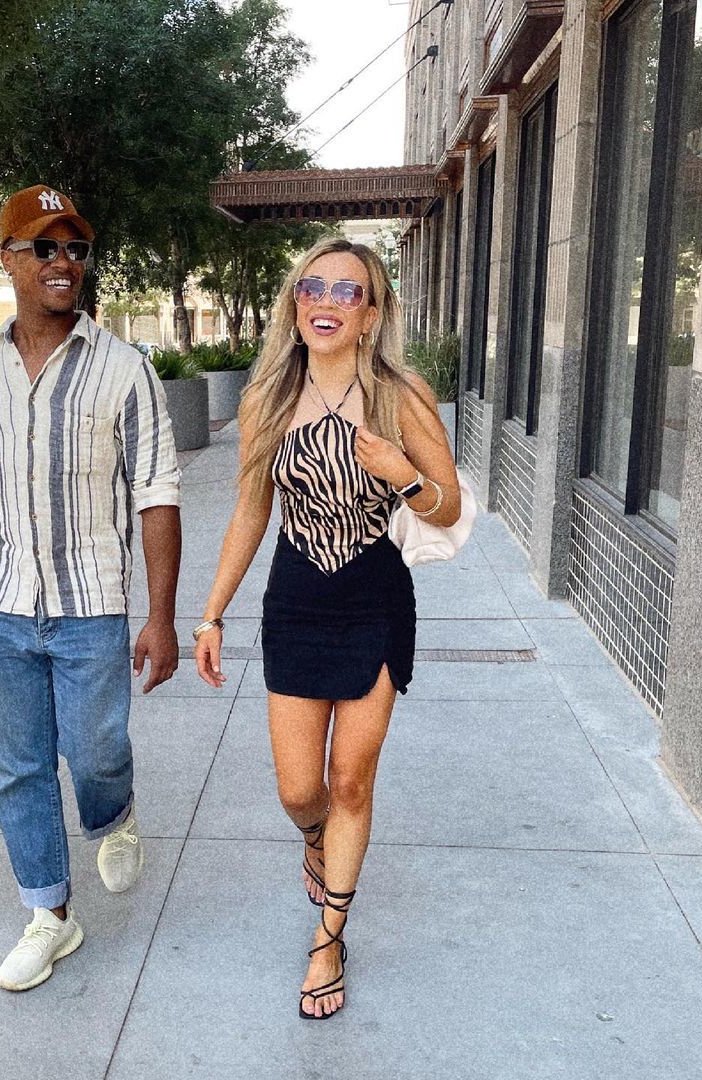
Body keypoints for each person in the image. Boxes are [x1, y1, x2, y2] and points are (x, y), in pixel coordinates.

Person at [194, 238, 460, 1019]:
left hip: (375, 599)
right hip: (296, 603)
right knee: (299, 790)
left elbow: (447, 506)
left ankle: (329, 939)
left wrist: (404, 477)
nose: (326, 302)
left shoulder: (403, 397)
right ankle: (315, 838)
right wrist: (211, 613)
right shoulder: (267, 400)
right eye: (313, 287)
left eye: (348, 292)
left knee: (350, 782)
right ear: (295, 303)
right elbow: (251, 512)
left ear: (371, 315)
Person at [0, 184, 182, 993]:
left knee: (96, 751)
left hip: (89, 604)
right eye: (43, 247)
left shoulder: (125, 369)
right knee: (15, 766)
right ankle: (49, 914)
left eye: (74, 248)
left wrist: (162, 616)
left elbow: (157, 493)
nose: (62, 262)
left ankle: (115, 811)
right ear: (9, 260)